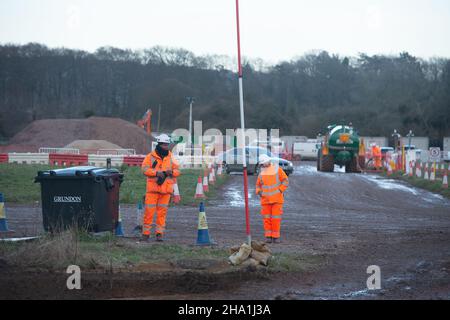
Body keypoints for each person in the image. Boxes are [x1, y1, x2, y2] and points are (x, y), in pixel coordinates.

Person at [141, 134, 180, 242]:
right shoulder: (150, 157)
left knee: (162, 214)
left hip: (166, 191)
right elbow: (144, 170)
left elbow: (178, 171)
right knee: (149, 213)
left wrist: (171, 172)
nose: (166, 146)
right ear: (159, 144)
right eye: (164, 144)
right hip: (152, 190)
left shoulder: (171, 157)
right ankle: (146, 234)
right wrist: (156, 173)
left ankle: (159, 234)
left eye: (167, 144)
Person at [255, 154, 289, 243]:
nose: (262, 165)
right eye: (261, 164)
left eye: (263, 163)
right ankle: (268, 237)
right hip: (265, 200)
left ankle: (275, 237)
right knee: (267, 219)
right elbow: (258, 185)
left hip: (277, 200)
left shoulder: (277, 170)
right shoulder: (261, 172)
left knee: (276, 219)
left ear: (268, 161)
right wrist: (259, 192)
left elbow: (285, 181)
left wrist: (280, 190)